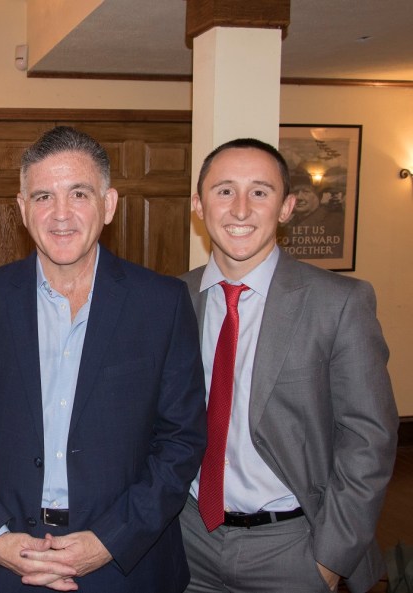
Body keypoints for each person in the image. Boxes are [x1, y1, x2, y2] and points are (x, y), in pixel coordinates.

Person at [0, 126, 208, 592]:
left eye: (78, 193)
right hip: (0, 566)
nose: (60, 214)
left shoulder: (161, 303)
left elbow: (181, 440)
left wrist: (110, 540)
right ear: (22, 210)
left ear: (109, 204)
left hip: (124, 563)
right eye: (43, 196)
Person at [180, 138, 398, 593]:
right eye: (224, 191)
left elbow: (369, 439)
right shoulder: (172, 300)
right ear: (198, 205)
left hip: (291, 548)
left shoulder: (338, 303)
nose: (240, 209)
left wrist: (330, 559)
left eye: (260, 192)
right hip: (187, 541)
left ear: (287, 207)